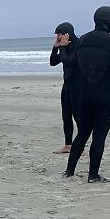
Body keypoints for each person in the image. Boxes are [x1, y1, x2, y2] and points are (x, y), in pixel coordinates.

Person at [64, 6, 110, 184]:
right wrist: (109, 87)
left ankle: (69, 172)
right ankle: (93, 175)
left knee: (82, 133)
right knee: (99, 136)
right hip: (105, 96)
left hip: (83, 95)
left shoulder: (82, 40)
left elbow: (73, 65)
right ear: (108, 20)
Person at [49, 22, 79, 154]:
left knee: (79, 117)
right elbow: (53, 62)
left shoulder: (78, 45)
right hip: (67, 85)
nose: (57, 37)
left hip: (78, 86)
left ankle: (80, 146)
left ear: (67, 34)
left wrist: (62, 47)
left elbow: (68, 61)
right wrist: (55, 48)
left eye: (59, 35)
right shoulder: (64, 46)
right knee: (66, 116)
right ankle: (68, 145)